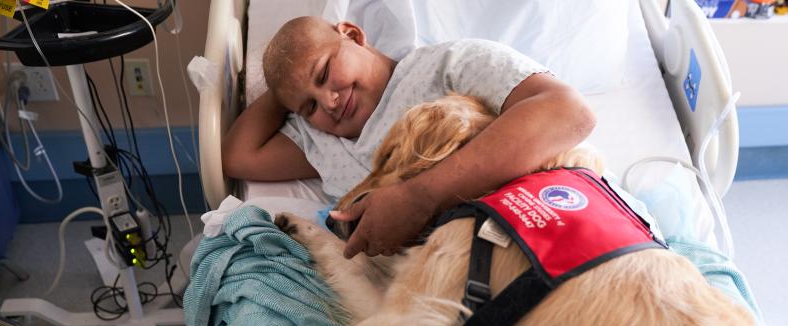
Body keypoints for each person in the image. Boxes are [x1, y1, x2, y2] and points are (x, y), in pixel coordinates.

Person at [222, 16, 595, 258]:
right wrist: (285, 84)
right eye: (309, 106)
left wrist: (419, 197)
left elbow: (568, 113)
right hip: (435, 281)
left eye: (323, 75)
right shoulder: (322, 142)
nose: (330, 102)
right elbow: (239, 155)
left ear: (352, 34)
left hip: (532, 235)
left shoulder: (447, 67)